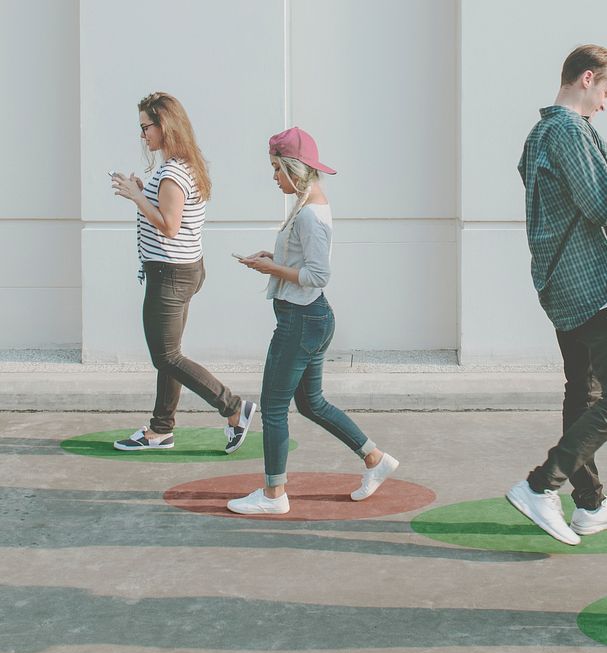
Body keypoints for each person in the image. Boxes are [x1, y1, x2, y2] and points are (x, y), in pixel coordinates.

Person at [506, 45, 607, 546]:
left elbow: (570, 199)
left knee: (584, 391)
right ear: (588, 79)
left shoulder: (541, 133)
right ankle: (540, 485)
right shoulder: (570, 130)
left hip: (559, 281)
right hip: (590, 282)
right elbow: (599, 207)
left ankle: (589, 503)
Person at [226, 127, 398, 515]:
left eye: (276, 169)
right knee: (311, 403)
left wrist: (271, 267)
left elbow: (319, 275)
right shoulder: (308, 206)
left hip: (302, 321)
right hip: (311, 319)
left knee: (272, 408)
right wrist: (272, 260)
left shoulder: (311, 216)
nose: (273, 178)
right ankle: (375, 459)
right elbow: (304, 263)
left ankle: (274, 496)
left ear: (294, 169)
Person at [110, 92, 256, 454]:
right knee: (169, 353)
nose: (143, 135)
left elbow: (170, 226)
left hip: (170, 273)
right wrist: (146, 193)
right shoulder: (186, 165)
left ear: (165, 125)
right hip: (182, 269)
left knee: (166, 356)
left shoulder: (174, 171)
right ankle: (160, 429)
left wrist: (136, 197)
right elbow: (173, 214)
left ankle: (234, 408)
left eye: (146, 127)